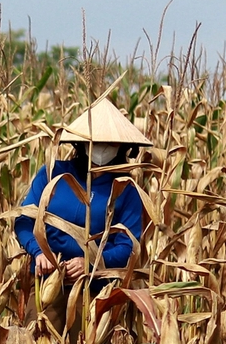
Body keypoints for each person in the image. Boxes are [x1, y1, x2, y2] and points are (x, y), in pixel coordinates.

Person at [14, 97, 153, 295]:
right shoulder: (53, 173)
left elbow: (127, 246)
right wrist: (40, 252)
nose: (102, 146)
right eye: (96, 140)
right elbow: (24, 221)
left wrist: (90, 263)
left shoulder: (127, 190)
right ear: (82, 142)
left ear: (122, 146)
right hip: (45, 284)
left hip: (94, 291)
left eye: (110, 142)